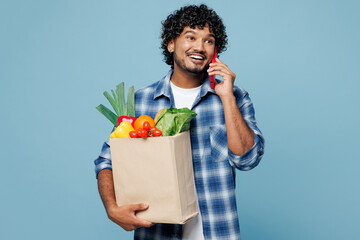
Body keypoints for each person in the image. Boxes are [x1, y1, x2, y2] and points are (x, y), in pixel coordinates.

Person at [94, 4, 265, 240]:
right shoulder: (141, 102)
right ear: (171, 43)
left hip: (218, 232)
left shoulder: (235, 97)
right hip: (157, 233)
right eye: (191, 37)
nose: (199, 47)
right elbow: (108, 161)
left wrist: (226, 97)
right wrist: (112, 208)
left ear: (216, 50)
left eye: (209, 40)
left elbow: (247, 159)